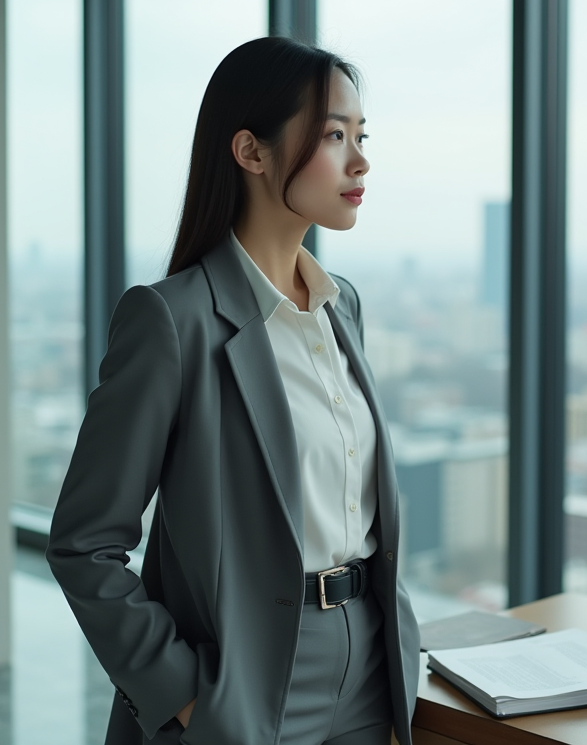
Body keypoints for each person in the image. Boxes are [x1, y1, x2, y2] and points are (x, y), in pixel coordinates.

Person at [46, 37, 420, 745]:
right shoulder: (171, 320)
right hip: (246, 681)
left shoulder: (344, 310)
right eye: (334, 135)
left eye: (360, 136)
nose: (361, 160)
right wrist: (184, 695)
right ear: (251, 151)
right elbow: (84, 543)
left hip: (371, 667)